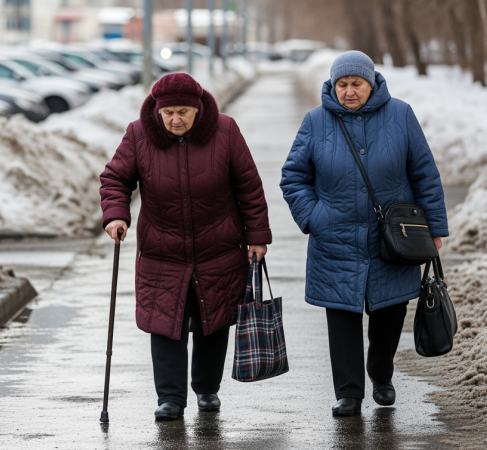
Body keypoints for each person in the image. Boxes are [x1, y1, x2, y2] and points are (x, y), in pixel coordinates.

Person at [280, 51, 448, 416]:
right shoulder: (315, 121)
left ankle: (382, 375)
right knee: (341, 318)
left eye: (356, 84)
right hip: (334, 239)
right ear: (332, 85)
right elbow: (293, 177)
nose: (349, 92)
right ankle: (349, 393)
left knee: (389, 314)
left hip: (393, 240)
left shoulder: (401, 115)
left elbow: (424, 174)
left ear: (371, 83)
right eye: (342, 84)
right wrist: (314, 216)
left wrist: (434, 228)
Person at [100, 72, 272, 421]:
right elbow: (115, 178)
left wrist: (257, 237)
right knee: (165, 324)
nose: (175, 120)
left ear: (197, 109)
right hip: (162, 251)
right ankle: (171, 399)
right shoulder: (139, 134)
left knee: (215, 321)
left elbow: (249, 187)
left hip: (218, 247)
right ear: (157, 111)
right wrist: (115, 215)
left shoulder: (225, 131)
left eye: (183, 112)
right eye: (168, 113)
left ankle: (207, 390)